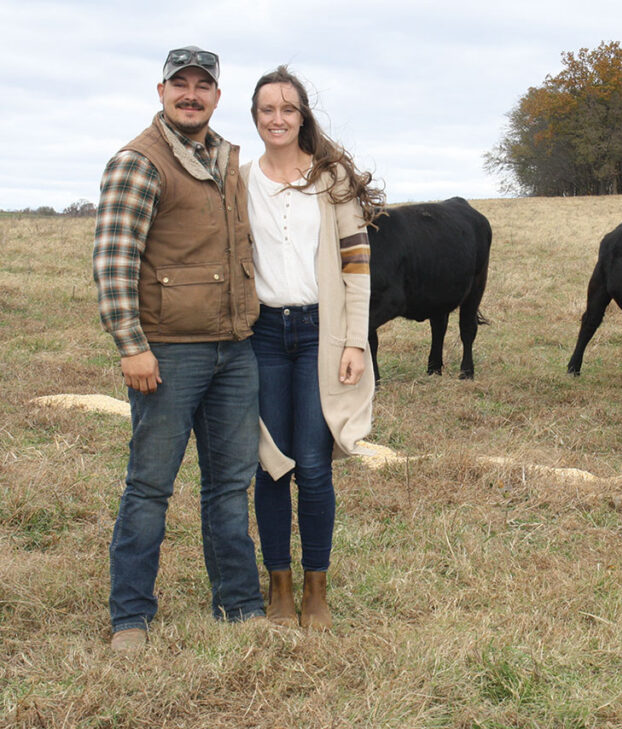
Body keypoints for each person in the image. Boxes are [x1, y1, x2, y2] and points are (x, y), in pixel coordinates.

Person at [93, 46, 265, 652]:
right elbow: (113, 261)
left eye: (203, 86)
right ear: (160, 91)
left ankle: (239, 604)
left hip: (234, 351)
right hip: (168, 353)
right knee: (149, 486)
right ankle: (130, 617)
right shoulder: (139, 163)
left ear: (218, 96)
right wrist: (131, 346)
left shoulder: (228, 160)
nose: (191, 95)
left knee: (228, 485)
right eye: (180, 85)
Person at [244, 66, 383, 629]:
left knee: (313, 466)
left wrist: (355, 341)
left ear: (302, 115)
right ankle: (278, 588)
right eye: (266, 110)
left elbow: (356, 265)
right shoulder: (240, 177)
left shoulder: (331, 179)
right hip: (262, 335)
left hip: (319, 335)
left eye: (288, 109)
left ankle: (316, 589)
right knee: (270, 465)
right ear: (254, 118)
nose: (277, 119)